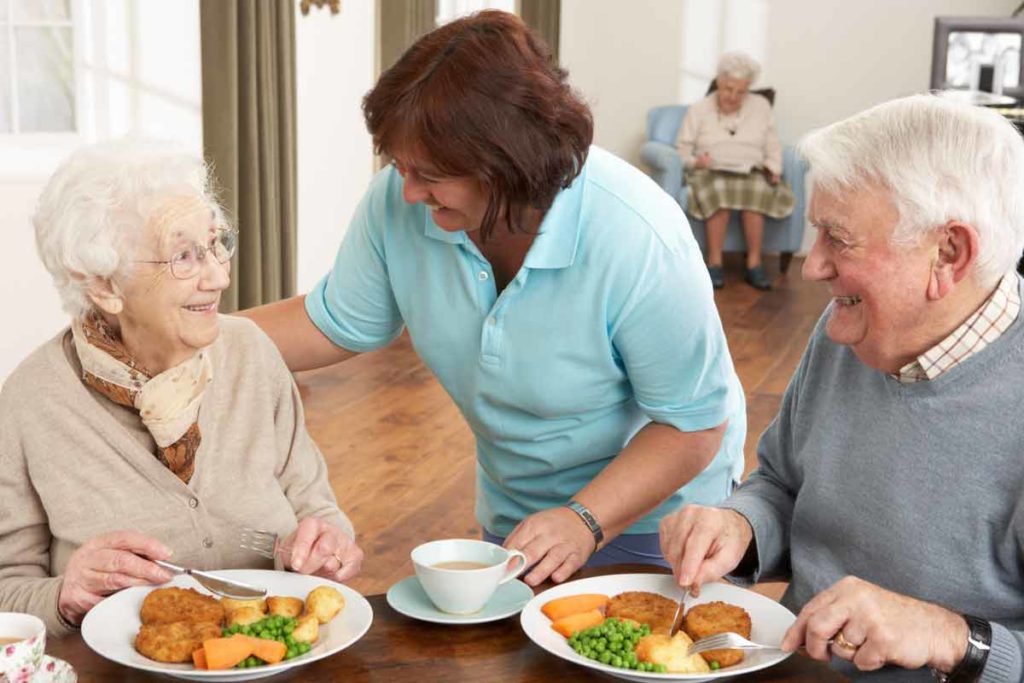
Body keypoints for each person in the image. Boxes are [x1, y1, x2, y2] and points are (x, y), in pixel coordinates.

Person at [242, 10, 746, 587]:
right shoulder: (402, 203)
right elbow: (332, 322)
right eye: (399, 166)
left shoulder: (637, 234)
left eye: (429, 173)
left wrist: (585, 519)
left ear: (508, 164)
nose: (406, 191)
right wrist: (188, 337)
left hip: (660, 521)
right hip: (520, 511)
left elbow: (693, 425)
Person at [659, 94, 1024, 681]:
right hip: (786, 665)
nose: (812, 266)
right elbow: (780, 482)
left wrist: (954, 636)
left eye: (838, 237)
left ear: (948, 254)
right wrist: (742, 527)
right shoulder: (846, 331)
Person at [0, 140, 363, 637]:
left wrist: (330, 547)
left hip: (273, 657)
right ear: (104, 286)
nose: (219, 275)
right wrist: (64, 596)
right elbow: (7, 590)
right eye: (184, 257)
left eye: (216, 244)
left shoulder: (251, 353)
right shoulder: (29, 402)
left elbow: (316, 508)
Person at [675, 51, 796, 291]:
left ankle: (754, 264)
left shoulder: (760, 106)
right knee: (720, 191)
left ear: (748, 88)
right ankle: (714, 263)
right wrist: (696, 162)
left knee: (757, 191)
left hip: (750, 169)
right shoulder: (698, 110)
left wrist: (774, 167)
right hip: (710, 171)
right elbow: (682, 150)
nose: (733, 96)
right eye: (728, 88)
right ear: (719, 82)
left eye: (741, 91)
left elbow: (772, 142)